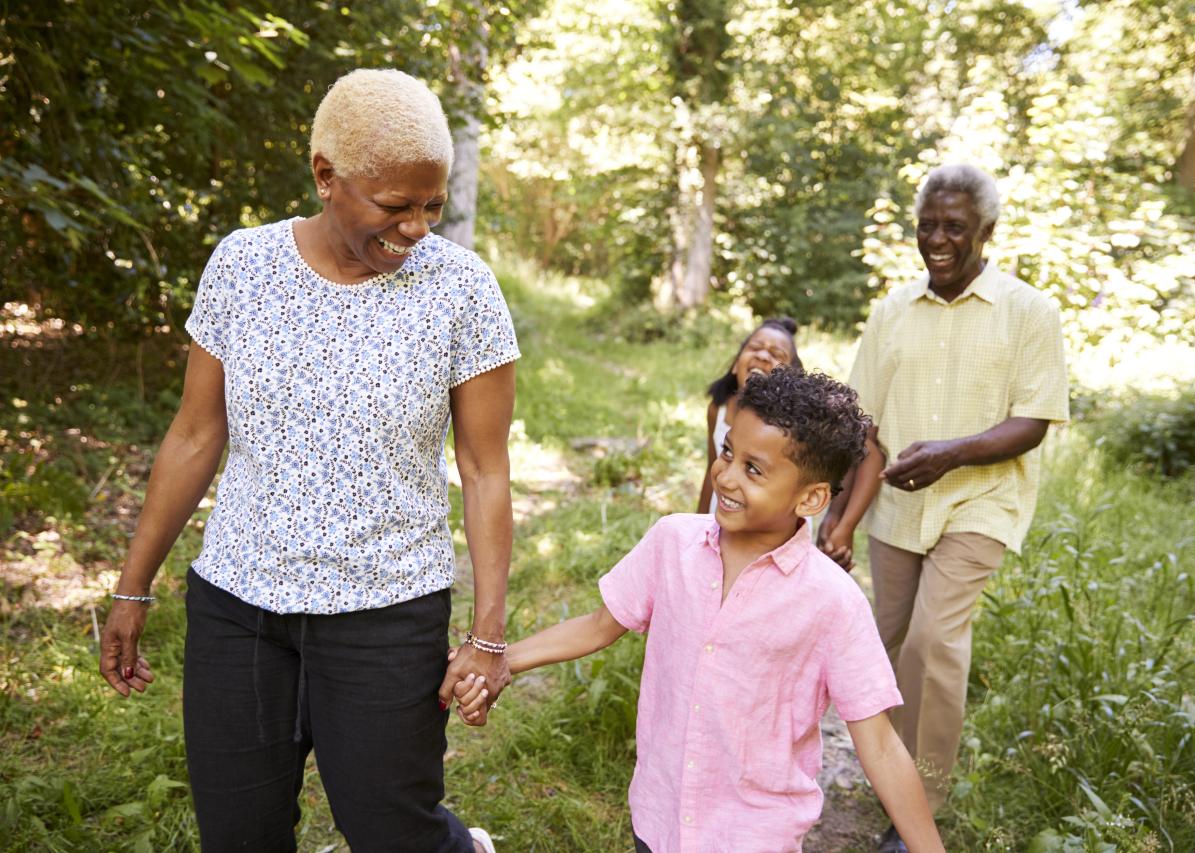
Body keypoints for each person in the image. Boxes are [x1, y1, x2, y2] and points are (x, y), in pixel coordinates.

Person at [96, 69, 518, 853]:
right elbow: (194, 434)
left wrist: (487, 636)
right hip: (239, 606)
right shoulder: (243, 266)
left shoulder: (462, 291)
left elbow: (486, 469)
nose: (419, 227)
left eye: (433, 204)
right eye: (396, 206)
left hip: (387, 611)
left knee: (394, 832)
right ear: (326, 175)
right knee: (239, 834)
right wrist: (133, 586)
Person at [456, 368, 946, 853]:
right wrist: (498, 660)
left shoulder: (833, 601)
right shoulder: (673, 542)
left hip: (755, 835)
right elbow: (599, 625)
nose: (727, 476)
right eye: (728, 452)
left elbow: (879, 744)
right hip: (659, 816)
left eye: (754, 469)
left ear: (812, 497)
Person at [829, 164, 1069, 852]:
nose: (938, 238)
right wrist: (838, 512)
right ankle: (894, 780)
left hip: (981, 500)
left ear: (986, 231)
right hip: (898, 509)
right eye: (928, 224)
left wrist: (952, 454)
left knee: (935, 642)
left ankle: (920, 813)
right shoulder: (891, 312)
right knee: (889, 645)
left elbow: (1034, 420)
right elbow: (862, 425)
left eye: (954, 226)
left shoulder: (1029, 311)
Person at [696, 317, 802, 515]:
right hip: (723, 510)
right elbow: (712, 467)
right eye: (755, 347)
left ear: (791, 377)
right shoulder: (718, 409)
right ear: (736, 363)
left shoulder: (793, 427)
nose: (762, 355)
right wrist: (697, 522)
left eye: (776, 354)